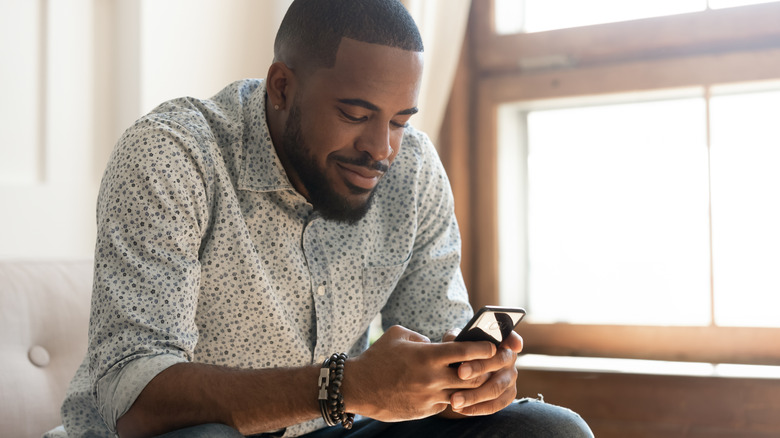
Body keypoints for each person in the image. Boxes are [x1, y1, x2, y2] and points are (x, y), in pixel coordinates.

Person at [46, 0, 593, 437]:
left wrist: (467, 383)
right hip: (186, 434)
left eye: (400, 121)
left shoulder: (413, 169)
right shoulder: (173, 155)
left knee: (550, 431)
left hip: (336, 428)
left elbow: (434, 344)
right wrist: (344, 386)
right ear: (283, 87)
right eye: (355, 115)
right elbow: (134, 402)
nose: (382, 149)